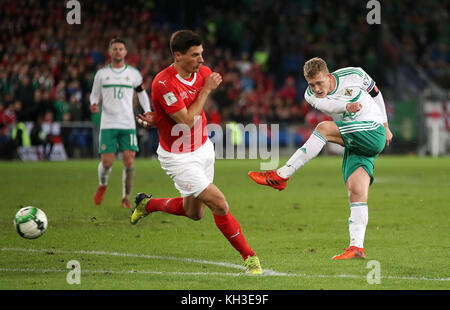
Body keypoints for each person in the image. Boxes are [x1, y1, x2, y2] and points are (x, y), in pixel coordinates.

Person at [131, 30, 262, 274]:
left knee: (195, 213)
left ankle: (147, 205)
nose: (202, 61)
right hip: (179, 157)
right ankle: (250, 258)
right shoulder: (163, 82)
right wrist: (206, 90)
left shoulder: (201, 72)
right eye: (195, 55)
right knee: (220, 204)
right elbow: (186, 121)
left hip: (203, 148)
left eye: (202, 54)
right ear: (178, 56)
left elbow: (185, 113)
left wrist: (159, 118)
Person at [249, 57, 393, 260]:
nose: (316, 88)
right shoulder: (310, 95)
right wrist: (347, 107)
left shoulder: (355, 74)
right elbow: (331, 108)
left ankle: (282, 175)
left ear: (329, 76)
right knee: (356, 190)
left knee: (323, 129)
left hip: (373, 128)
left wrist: (386, 125)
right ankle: (356, 247)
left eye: (319, 82)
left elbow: (376, 93)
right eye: (311, 84)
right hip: (356, 138)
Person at [90, 38, 151, 208]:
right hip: (108, 123)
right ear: (110, 52)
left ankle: (126, 197)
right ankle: (102, 185)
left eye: (121, 49)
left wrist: (148, 111)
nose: (118, 51)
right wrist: (93, 104)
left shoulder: (133, 74)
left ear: (125, 52)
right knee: (107, 162)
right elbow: (94, 94)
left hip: (127, 123)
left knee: (129, 161)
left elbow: (142, 93)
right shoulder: (102, 74)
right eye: (115, 49)